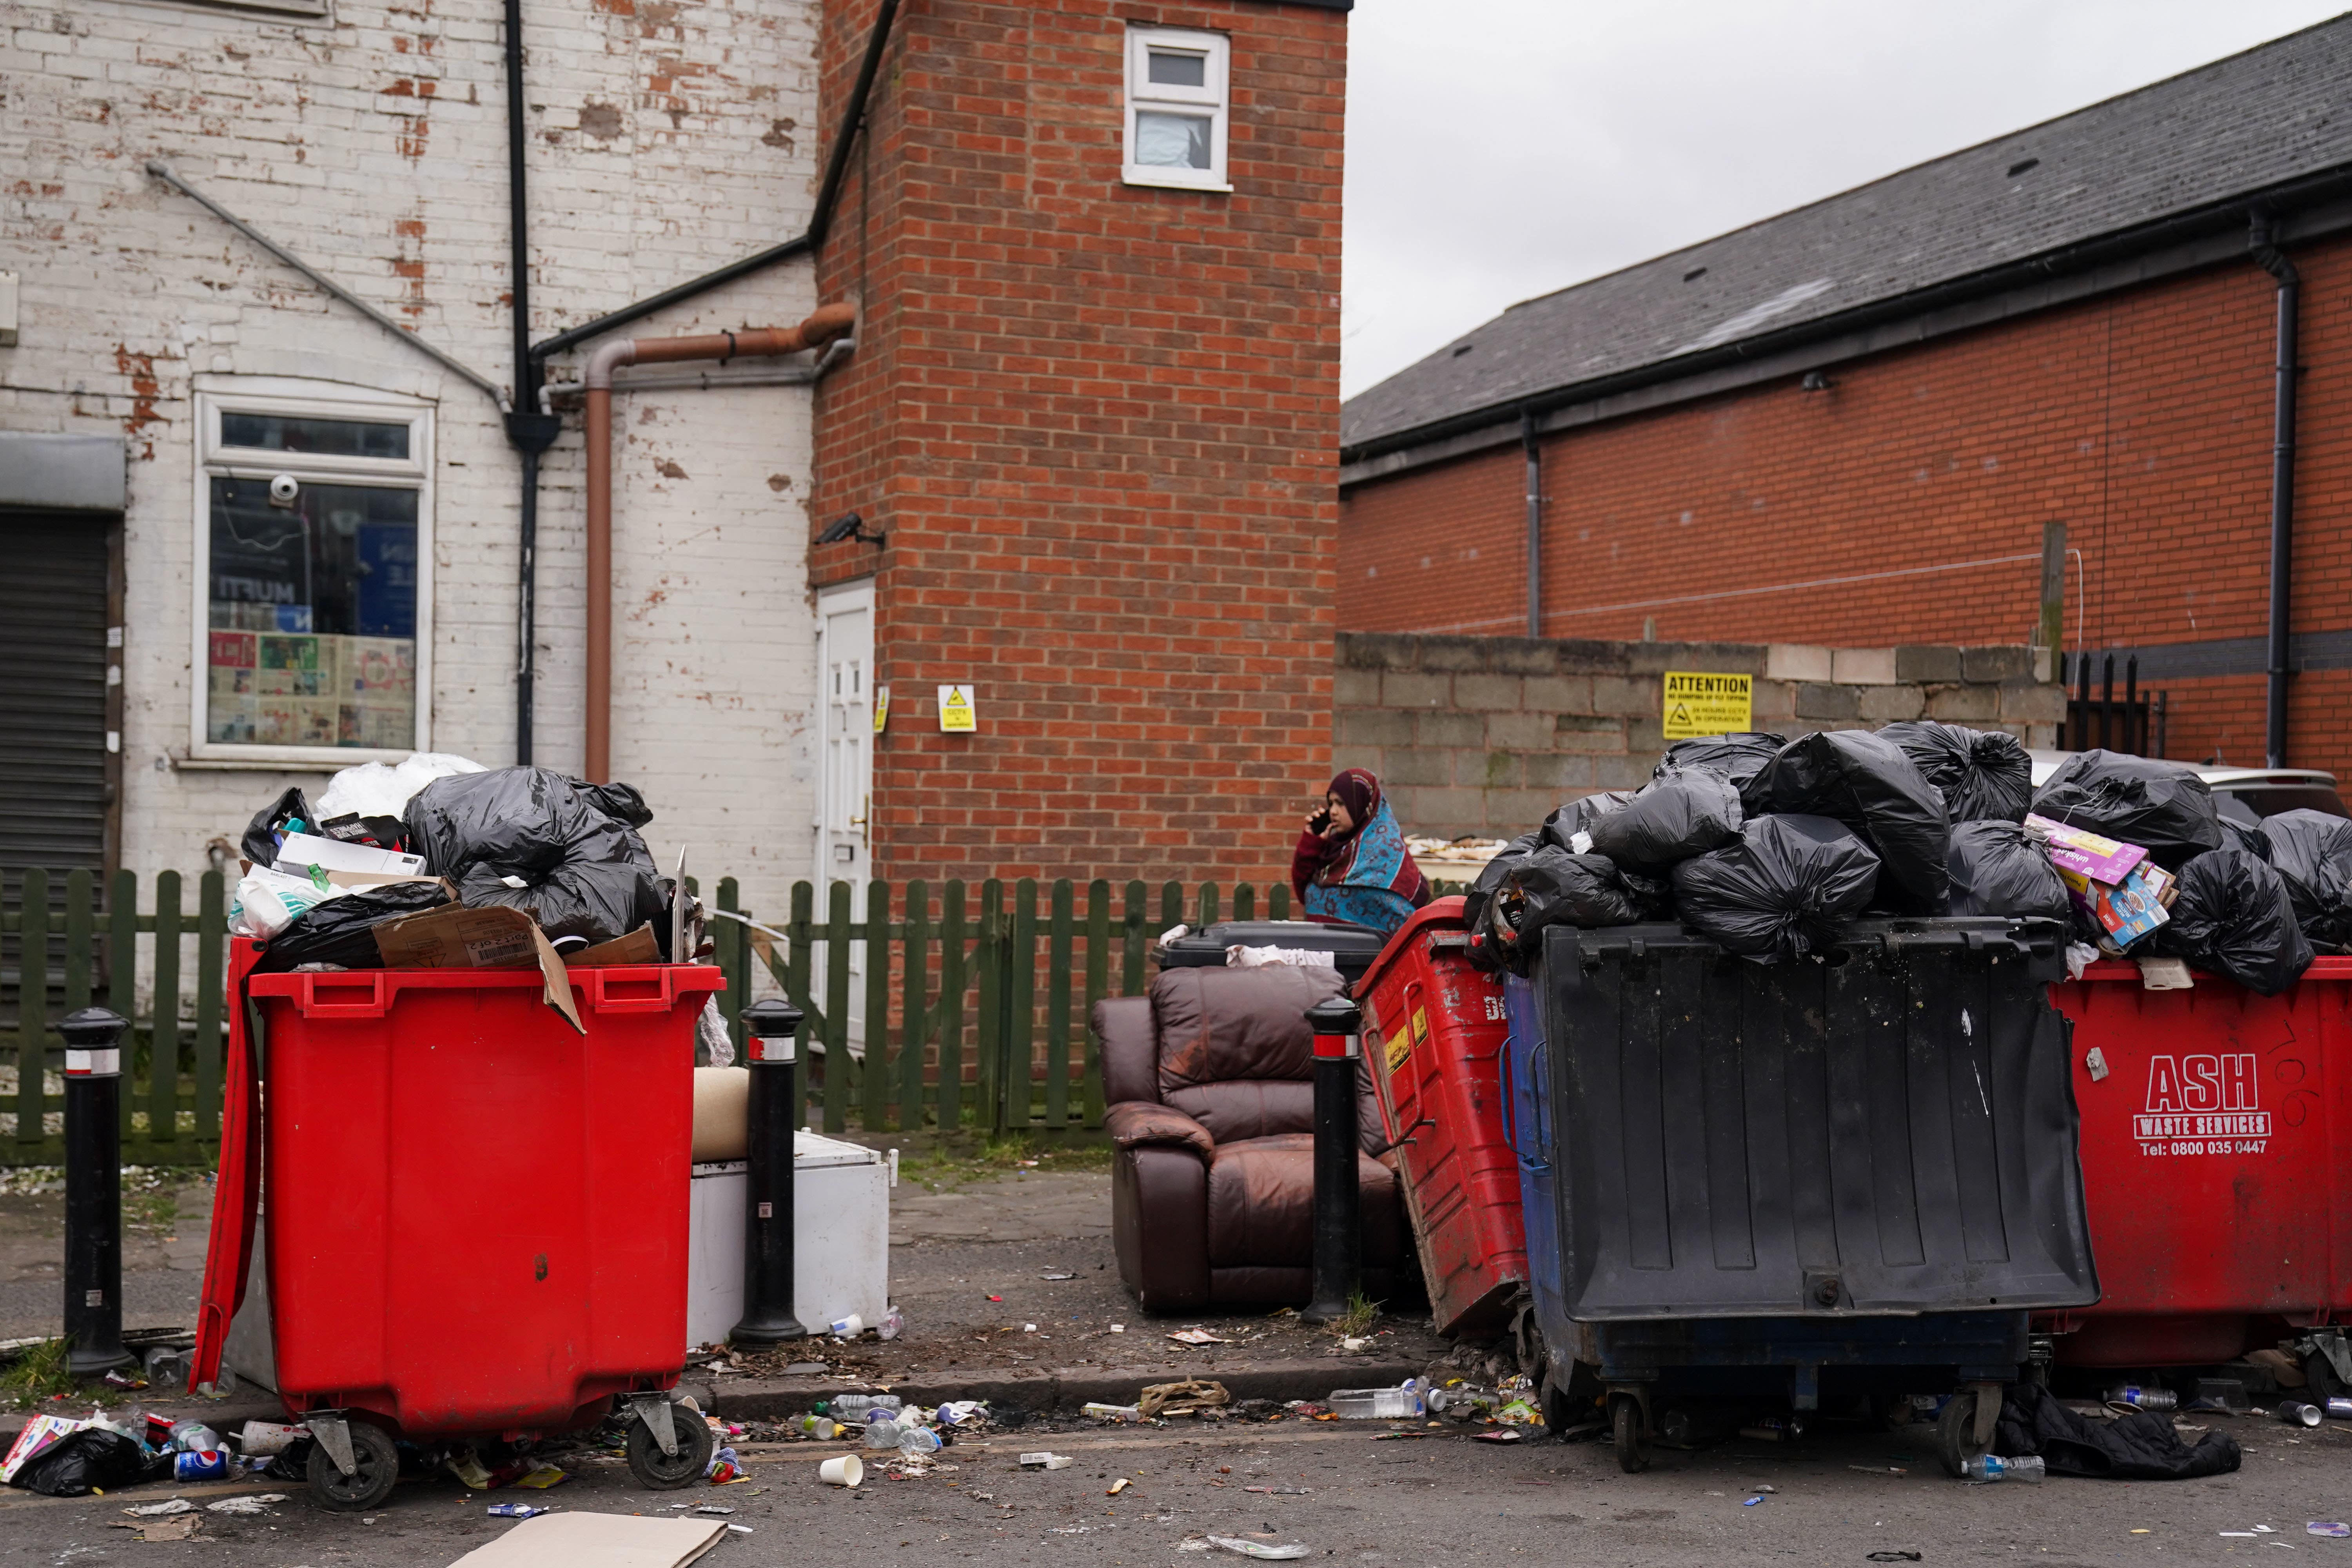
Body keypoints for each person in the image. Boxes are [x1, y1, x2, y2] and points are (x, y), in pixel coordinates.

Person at [1290, 769, 1431, 936]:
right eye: (1331, 804)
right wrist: (1311, 841)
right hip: (1323, 955)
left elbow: (1403, 915)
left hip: (1371, 957)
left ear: (1362, 804)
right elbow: (1303, 892)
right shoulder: (1333, 848)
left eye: (1341, 803)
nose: (1333, 811)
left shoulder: (1383, 850)